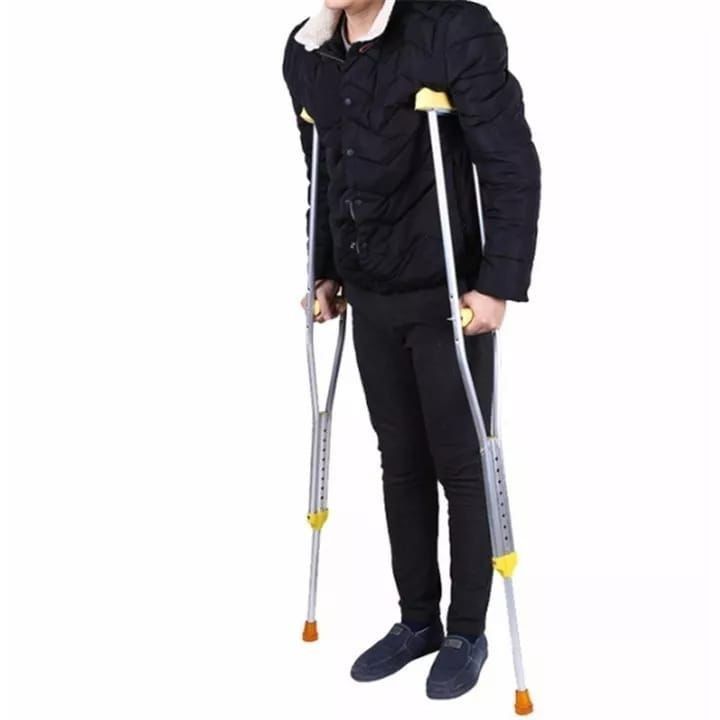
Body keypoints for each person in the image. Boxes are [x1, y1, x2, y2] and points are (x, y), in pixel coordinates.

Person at [282, 0, 540, 700]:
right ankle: (417, 620)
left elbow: (509, 162)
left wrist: (498, 284)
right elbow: (323, 169)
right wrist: (323, 271)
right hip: (370, 292)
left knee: (461, 461)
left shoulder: (452, 30)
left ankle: (467, 632)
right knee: (399, 459)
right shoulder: (307, 54)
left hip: (447, 295)